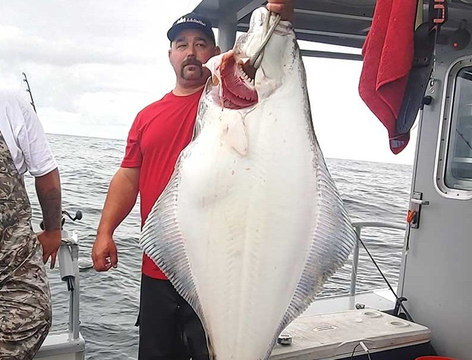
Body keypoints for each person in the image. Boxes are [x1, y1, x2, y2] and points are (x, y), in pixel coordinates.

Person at [91, 1, 294, 359]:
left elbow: (270, 61)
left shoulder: (234, 102)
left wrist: (281, 14)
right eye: (181, 44)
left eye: (200, 44)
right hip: (159, 266)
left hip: (216, 270)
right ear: (170, 54)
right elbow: (128, 176)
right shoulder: (147, 116)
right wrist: (105, 230)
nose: (191, 52)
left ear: (215, 53)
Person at [0, 91, 62, 359]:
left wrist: (53, 231)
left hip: (10, 255)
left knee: (34, 313)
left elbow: (45, 174)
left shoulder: (11, 105)